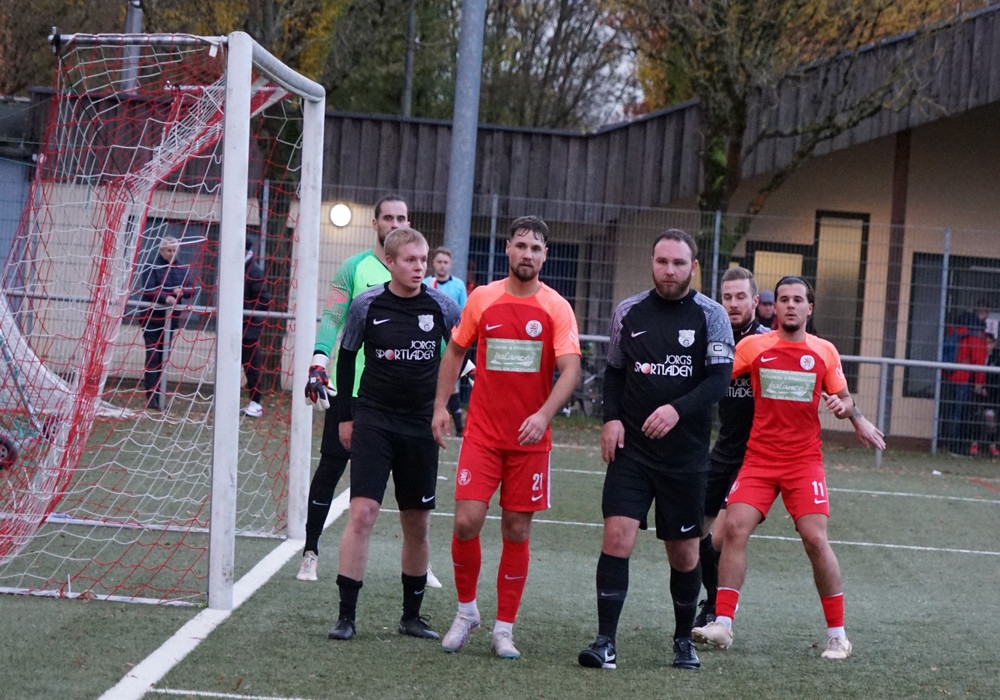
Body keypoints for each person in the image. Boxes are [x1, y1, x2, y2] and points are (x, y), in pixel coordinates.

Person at [693, 275, 882, 661]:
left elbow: (844, 398)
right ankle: (722, 624)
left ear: (809, 308)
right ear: (774, 307)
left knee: (815, 539)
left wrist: (848, 411)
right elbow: (715, 378)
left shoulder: (824, 351)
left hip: (803, 463)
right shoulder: (754, 347)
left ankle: (838, 635)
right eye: (783, 299)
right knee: (734, 528)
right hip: (759, 460)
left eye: (798, 299)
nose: (790, 305)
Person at [577, 229, 734, 672]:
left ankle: (683, 641)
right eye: (662, 261)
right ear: (652, 263)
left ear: (693, 267)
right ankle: (605, 642)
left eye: (678, 263)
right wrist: (610, 418)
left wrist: (675, 410)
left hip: (685, 458)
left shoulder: (712, 315)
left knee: (684, 553)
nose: (669, 270)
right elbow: (614, 371)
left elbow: (719, 381)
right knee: (617, 535)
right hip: (632, 451)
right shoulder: (628, 311)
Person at [431, 215, 581, 660]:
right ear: (508, 249)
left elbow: (571, 369)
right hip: (482, 434)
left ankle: (504, 629)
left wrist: (544, 414)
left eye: (536, 248)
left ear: (545, 255)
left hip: (530, 440)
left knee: (516, 529)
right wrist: (440, 406)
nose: (527, 254)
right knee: (465, 522)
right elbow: (455, 350)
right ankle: (466, 612)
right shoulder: (482, 298)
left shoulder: (557, 307)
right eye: (521, 245)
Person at [326, 227, 461, 641]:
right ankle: (346, 616)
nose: (419, 267)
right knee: (363, 513)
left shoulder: (443, 306)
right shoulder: (366, 305)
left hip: (420, 424)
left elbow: (459, 354)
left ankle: (411, 617)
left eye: (423, 260)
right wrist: (345, 418)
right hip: (374, 419)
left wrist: (445, 406)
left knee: (417, 523)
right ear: (390, 262)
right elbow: (346, 358)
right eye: (410, 260)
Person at [299, 194, 408, 580]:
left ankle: (419, 562)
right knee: (331, 467)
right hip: (354, 391)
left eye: (402, 218)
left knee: (409, 480)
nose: (395, 224)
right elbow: (332, 316)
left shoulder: (415, 272)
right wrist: (319, 361)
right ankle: (310, 551)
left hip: (400, 396)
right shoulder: (354, 268)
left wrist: (464, 366)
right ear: (375, 224)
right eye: (388, 218)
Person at [139, 236, 192, 411]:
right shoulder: (151, 266)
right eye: (169, 250)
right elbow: (148, 290)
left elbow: (191, 288)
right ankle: (152, 397)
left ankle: (160, 397)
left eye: (174, 250)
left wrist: (182, 292)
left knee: (163, 357)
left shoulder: (182, 268)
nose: (172, 253)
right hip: (152, 318)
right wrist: (165, 297)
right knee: (153, 356)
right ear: (162, 251)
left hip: (170, 320)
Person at [424, 247, 468, 436]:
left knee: (451, 380)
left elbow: (464, 312)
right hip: (428, 339)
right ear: (433, 263)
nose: (442, 266)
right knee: (429, 379)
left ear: (450, 265)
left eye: (445, 262)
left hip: (450, 340)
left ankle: (459, 426)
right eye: (439, 262)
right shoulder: (426, 283)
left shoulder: (458, 285)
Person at [943, 326, 990, 456]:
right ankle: (956, 446)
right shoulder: (976, 335)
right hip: (964, 378)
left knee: (953, 412)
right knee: (961, 414)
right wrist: (980, 382)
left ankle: (949, 443)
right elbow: (978, 361)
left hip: (951, 375)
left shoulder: (955, 330)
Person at [242, 234, 273, 418]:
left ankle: (256, 402)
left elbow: (264, 300)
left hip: (249, 328)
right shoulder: (238, 267)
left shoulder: (254, 271)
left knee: (251, 365)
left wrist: (244, 311)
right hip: (237, 326)